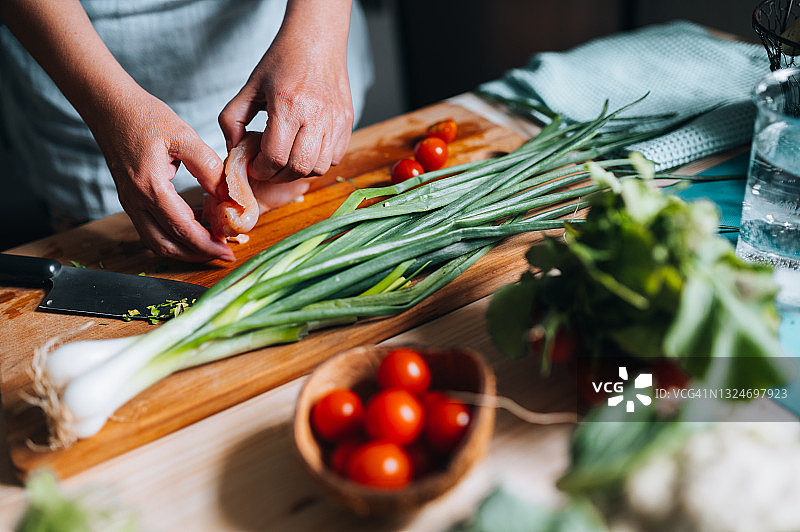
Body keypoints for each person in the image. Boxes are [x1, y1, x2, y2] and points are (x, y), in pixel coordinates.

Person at [0, 0, 373, 262]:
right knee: (105, 248)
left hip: (287, 38)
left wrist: (318, 36)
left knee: (305, 163)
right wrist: (107, 107)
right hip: (78, 66)